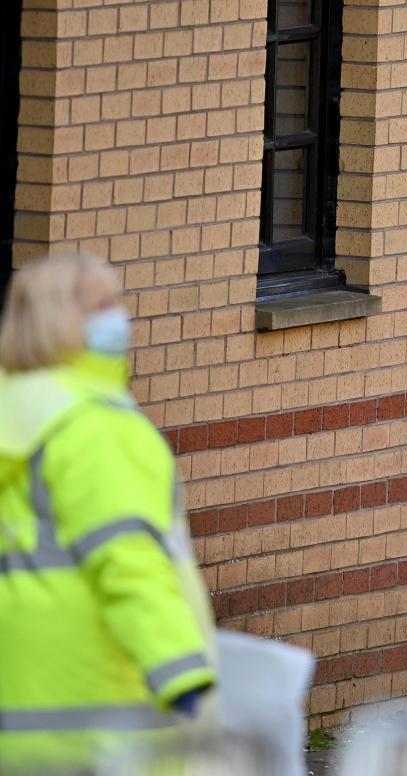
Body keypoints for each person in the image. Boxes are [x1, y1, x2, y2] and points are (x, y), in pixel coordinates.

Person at [0, 253, 218, 772]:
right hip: (104, 713)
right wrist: (183, 674)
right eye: (104, 304)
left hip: (24, 709)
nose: (121, 316)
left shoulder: (16, 412)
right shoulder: (94, 426)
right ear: (62, 321)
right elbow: (126, 558)